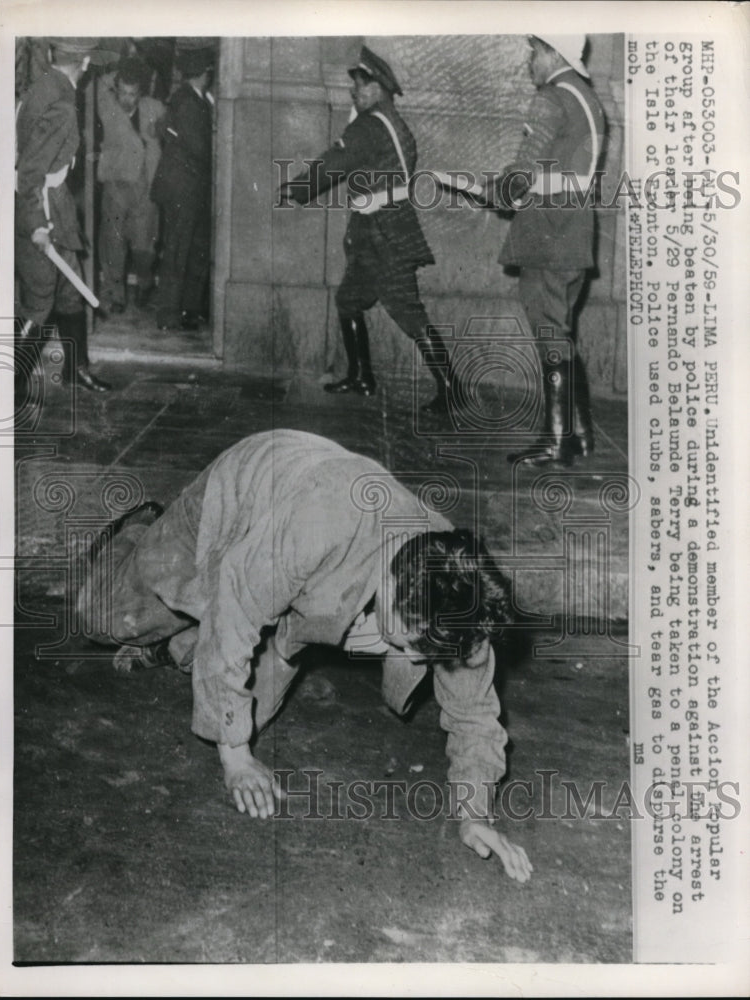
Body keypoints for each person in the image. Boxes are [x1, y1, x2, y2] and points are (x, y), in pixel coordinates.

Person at [76, 429, 532, 881]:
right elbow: (234, 609)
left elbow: (474, 713)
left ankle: (200, 628)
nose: (417, 663)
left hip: (303, 571)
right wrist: (236, 761)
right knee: (106, 621)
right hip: (244, 492)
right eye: (412, 645)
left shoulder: (454, 589)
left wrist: (474, 814)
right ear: (392, 588)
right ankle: (142, 531)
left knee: (239, 701)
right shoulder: (318, 524)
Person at [278, 46, 463, 414]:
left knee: (407, 311)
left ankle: (451, 387)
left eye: (360, 85)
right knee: (349, 300)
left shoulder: (370, 126)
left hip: (382, 233)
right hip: (381, 226)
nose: (354, 91)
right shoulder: (394, 124)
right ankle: (361, 377)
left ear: (377, 88)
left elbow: (336, 162)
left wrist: (297, 188)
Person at [497, 35, 605, 466]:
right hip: (575, 228)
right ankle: (580, 434)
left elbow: (525, 168)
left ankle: (556, 441)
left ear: (554, 53)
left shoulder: (551, 97)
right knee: (560, 331)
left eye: (535, 51)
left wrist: (496, 192)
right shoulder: (588, 98)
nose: (530, 60)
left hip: (547, 231)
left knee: (549, 334)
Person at [15, 37, 112, 396]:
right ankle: (6, 383)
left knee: (71, 290)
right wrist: (37, 225)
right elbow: (30, 172)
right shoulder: (61, 105)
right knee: (40, 301)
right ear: (84, 63)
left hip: (53, 203)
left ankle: (76, 369)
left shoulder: (43, 85)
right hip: (41, 206)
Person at [151, 46, 214, 332]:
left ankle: (189, 309)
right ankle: (168, 313)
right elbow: (199, 147)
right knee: (178, 250)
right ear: (203, 74)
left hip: (192, 188)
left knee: (195, 249)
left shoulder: (193, 98)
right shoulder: (188, 102)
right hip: (183, 189)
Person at [96, 56, 165, 313]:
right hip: (116, 186)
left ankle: (145, 285)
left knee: (145, 245)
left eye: (132, 94)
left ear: (140, 93)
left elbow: (168, 131)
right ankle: (117, 296)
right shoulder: (108, 107)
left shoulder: (154, 108)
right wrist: (122, 67)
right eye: (123, 92)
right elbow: (98, 84)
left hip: (146, 187)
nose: (127, 99)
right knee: (113, 243)